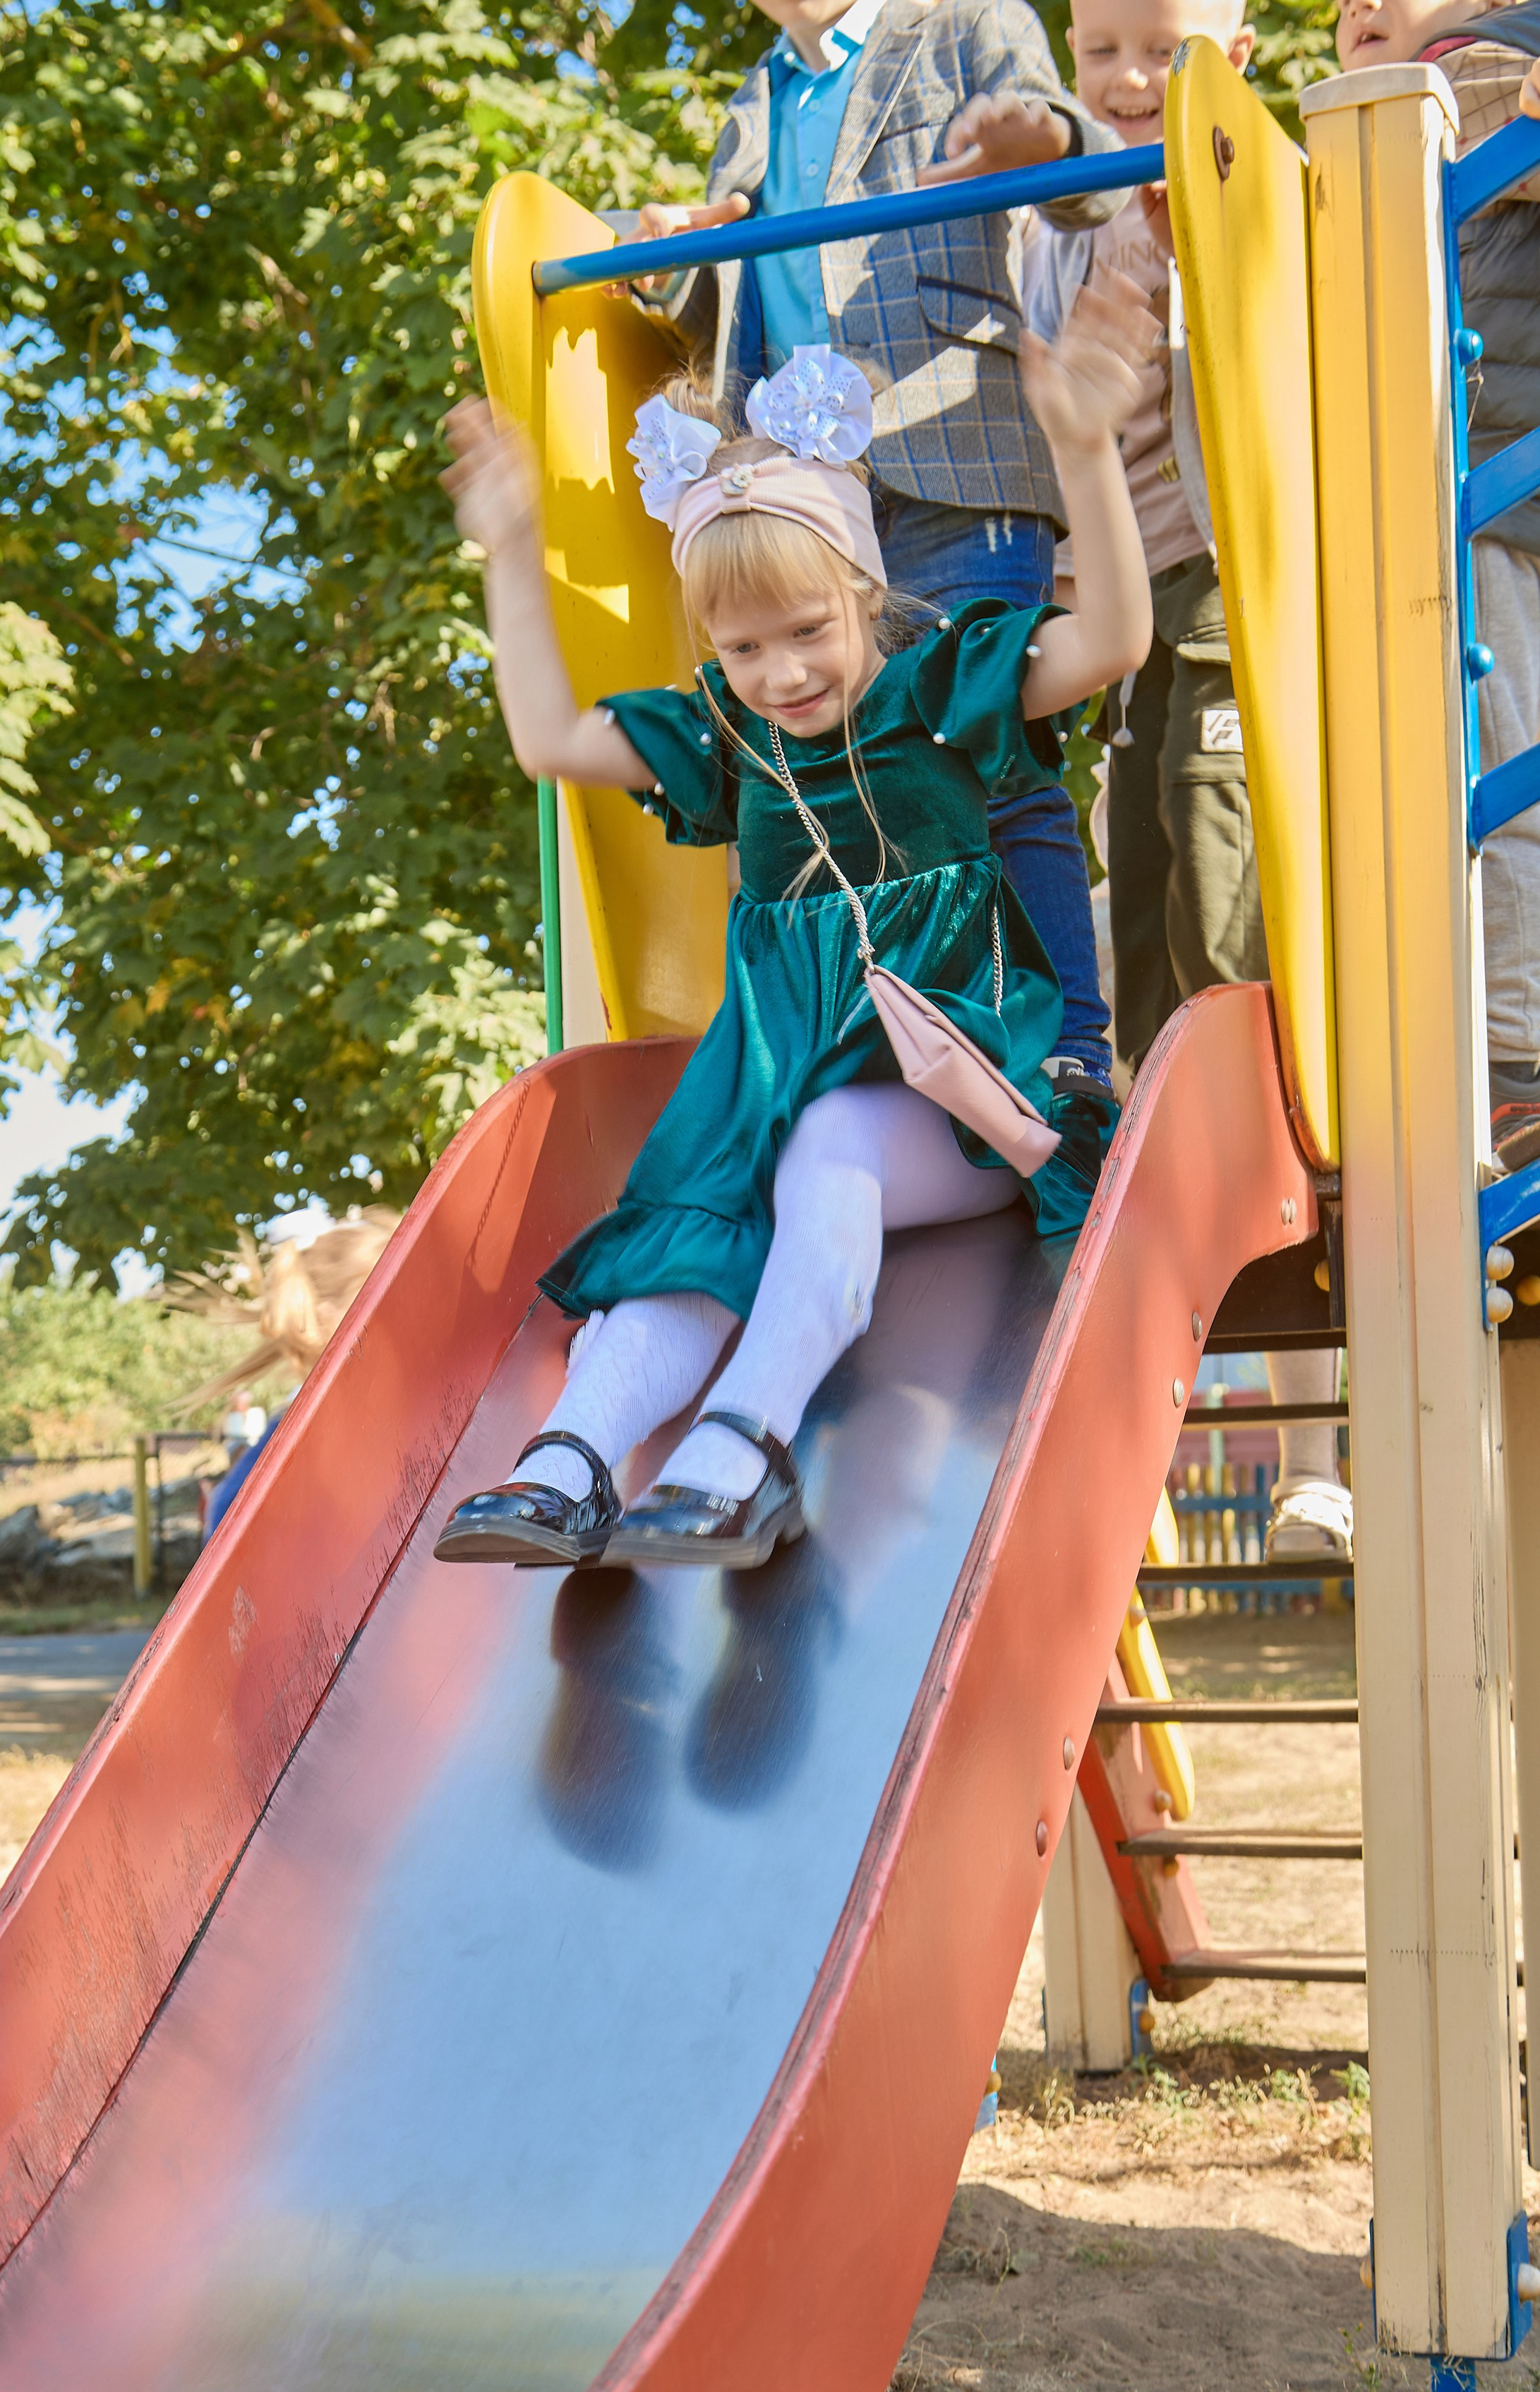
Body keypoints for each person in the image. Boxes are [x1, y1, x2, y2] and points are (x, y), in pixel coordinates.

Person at [434, 291, 1155, 1573]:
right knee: (698, 1197)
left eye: (809, 632)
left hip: (965, 1098)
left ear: (864, 591)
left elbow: (1111, 640)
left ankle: (745, 1450)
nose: (781, 674)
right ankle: (575, 1458)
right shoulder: (729, 738)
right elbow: (550, 740)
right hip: (773, 1090)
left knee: (827, 1144)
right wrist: (506, 548)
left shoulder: (936, 690)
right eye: (744, 645)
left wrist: (1088, 451)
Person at [619, 0, 1133, 1182]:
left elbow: (1086, 177)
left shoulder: (963, 23)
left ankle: (1069, 1056)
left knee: (987, 748)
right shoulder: (759, 97)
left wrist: (1037, 147)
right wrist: (675, 263)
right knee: (838, 776)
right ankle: (886, 1052)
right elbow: (739, 289)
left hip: (951, 455)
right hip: (808, 488)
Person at [1025, 0, 1349, 1558]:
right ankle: (1166, 1397)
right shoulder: (1070, 209)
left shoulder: (1236, 173)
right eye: (1098, 53)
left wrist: (1141, 193)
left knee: (1225, 957)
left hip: (1228, 595)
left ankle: (1304, 1437)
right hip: (1131, 618)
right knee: (1146, 968)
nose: (1126, 80)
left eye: (1158, 50)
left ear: (1219, 46)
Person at [1401, 1, 1540, 1167]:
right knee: (1510, 784)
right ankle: (1509, 1071)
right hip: (1499, 487)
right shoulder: (1474, 47)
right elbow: (1472, 107)